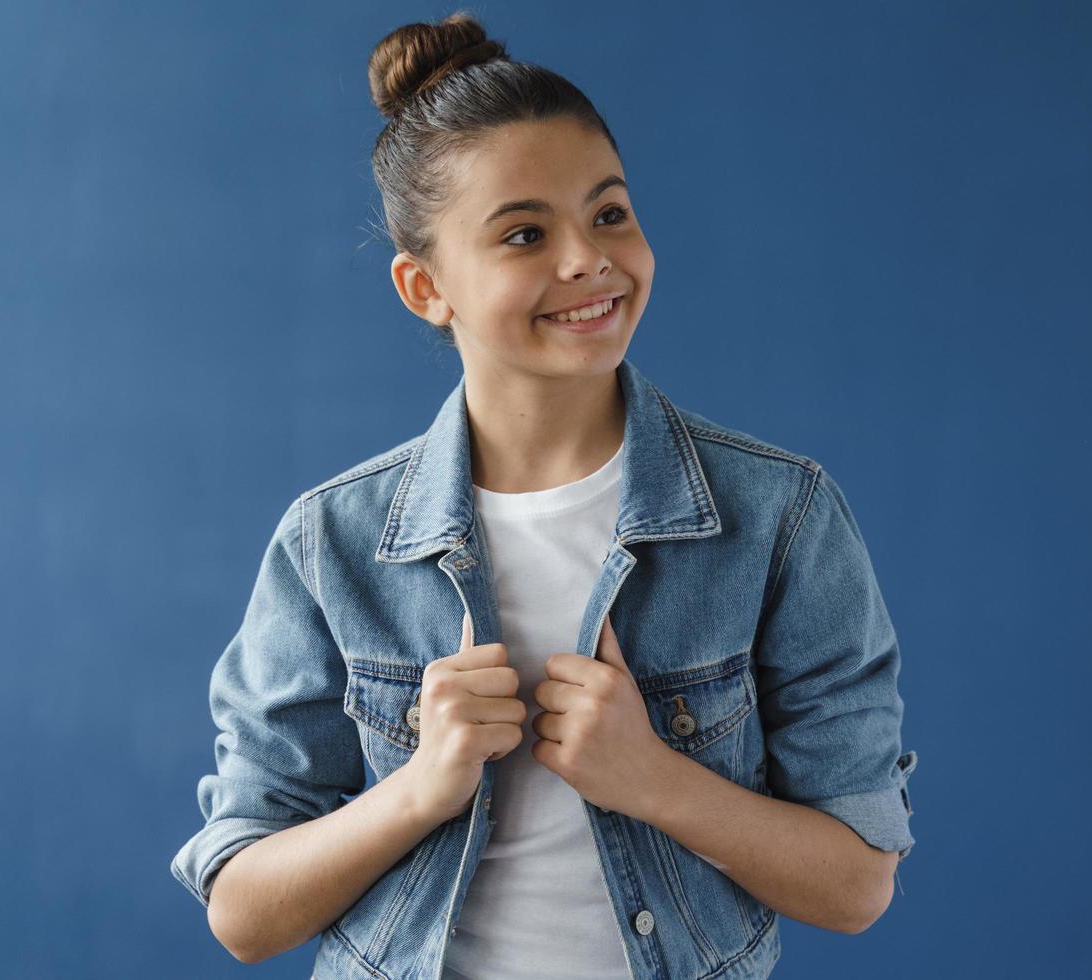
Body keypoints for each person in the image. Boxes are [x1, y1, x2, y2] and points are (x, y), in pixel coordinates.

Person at [170, 11, 918, 979]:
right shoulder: (332, 542)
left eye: (609, 211)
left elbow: (859, 881)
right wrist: (420, 786)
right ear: (424, 287)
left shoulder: (780, 517)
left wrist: (653, 779)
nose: (587, 258)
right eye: (526, 232)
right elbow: (243, 912)